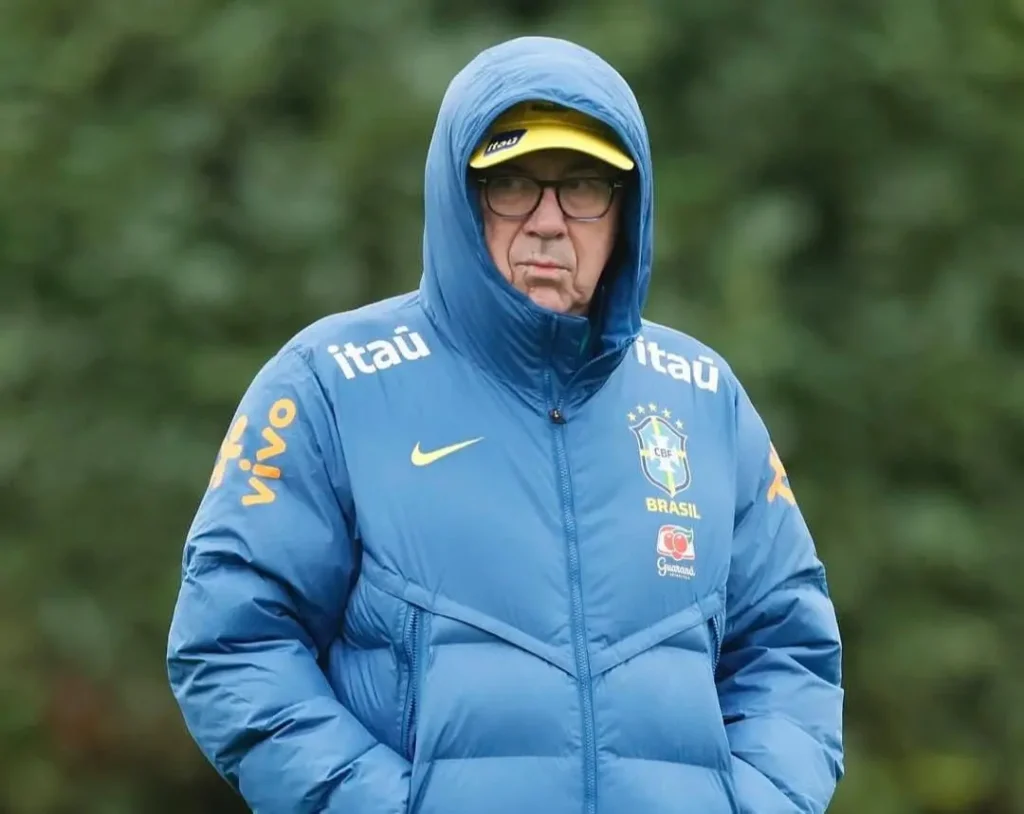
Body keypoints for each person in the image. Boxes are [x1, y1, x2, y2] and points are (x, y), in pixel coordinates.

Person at [166, 35, 844, 814]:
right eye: (512, 183)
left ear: (627, 210)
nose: (549, 222)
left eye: (583, 185)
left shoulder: (703, 397)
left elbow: (789, 651)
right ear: (460, 199)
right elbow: (231, 643)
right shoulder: (330, 383)